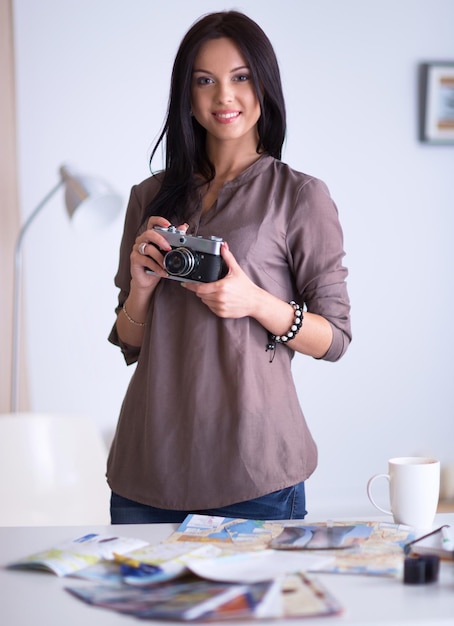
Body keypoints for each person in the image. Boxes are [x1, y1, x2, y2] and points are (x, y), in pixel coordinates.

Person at [107, 10, 351, 524]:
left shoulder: (300, 196)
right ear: (187, 96)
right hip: (147, 469)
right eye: (205, 81)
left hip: (254, 470)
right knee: (140, 607)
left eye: (240, 77)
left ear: (264, 85)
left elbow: (336, 339)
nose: (224, 96)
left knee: (254, 608)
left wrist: (255, 302)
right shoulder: (149, 197)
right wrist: (141, 290)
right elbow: (130, 341)